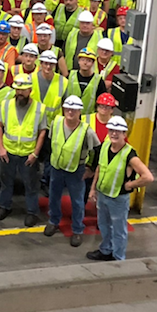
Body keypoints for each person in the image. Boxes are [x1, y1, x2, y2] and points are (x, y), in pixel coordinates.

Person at [88, 116, 154, 261]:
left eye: (118, 131)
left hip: (118, 199)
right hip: (103, 195)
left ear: (125, 134)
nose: (114, 134)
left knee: (118, 230)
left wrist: (130, 185)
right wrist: (93, 189)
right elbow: (99, 168)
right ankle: (106, 250)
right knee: (104, 226)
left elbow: (148, 177)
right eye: (111, 130)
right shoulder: (105, 146)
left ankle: (118, 258)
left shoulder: (129, 154)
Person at [45, 95, 100, 247]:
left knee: (77, 202)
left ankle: (77, 230)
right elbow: (50, 142)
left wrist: (91, 168)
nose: (70, 112)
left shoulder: (86, 131)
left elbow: (97, 149)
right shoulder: (56, 122)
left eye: (74, 109)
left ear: (79, 111)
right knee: (54, 196)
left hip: (76, 171)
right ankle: (53, 221)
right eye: (68, 108)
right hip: (56, 167)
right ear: (63, 109)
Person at [0, 73, 47, 227]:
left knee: (31, 186)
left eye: (23, 90)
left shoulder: (39, 108)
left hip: (28, 155)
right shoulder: (6, 105)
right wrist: (1, 148)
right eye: (18, 89)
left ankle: (32, 212)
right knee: (6, 182)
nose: (20, 93)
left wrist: (35, 153)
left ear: (30, 90)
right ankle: (4, 206)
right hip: (8, 152)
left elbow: (42, 132)